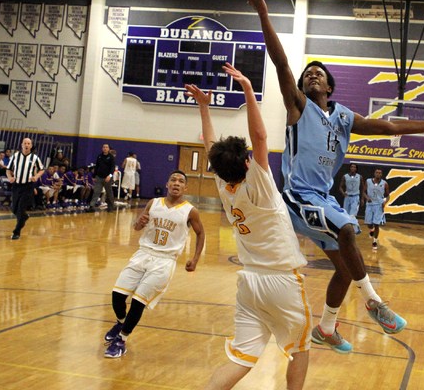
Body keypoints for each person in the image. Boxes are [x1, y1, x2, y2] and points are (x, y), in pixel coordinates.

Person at [239, 0, 424, 351]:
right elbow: (281, 61)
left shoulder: (345, 117)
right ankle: (374, 302)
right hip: (297, 196)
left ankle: (327, 329)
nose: (311, 75)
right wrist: (263, 12)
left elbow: (390, 126)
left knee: (346, 268)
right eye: (307, 73)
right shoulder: (299, 106)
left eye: (319, 73)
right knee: (349, 229)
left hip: (324, 198)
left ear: (330, 86)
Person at [187, 63, 311, 390]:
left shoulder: (223, 186)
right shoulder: (259, 183)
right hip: (282, 279)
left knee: (240, 357)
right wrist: (246, 89)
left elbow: (210, 146)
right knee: (300, 348)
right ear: (247, 162)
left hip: (249, 283)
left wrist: (204, 107)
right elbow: (259, 135)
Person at [103, 169, 205, 358]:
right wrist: (138, 223)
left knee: (137, 302)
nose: (176, 183)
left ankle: (121, 340)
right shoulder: (153, 203)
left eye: (181, 181)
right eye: (173, 179)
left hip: (164, 261)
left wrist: (195, 259)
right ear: (167, 184)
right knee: (117, 295)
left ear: (185, 187)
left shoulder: (190, 211)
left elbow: (201, 233)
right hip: (143, 253)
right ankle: (121, 323)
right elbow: (137, 227)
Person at [6, 137, 45, 240]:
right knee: (14, 208)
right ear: (22, 145)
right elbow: (8, 170)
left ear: (31, 146)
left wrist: (36, 177)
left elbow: (42, 169)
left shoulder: (35, 158)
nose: (27, 145)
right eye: (25, 143)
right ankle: (24, 217)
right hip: (16, 185)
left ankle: (16, 232)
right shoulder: (15, 156)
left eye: (28, 143)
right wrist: (10, 177)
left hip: (28, 186)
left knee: (21, 208)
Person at [363, 168, 390, 251]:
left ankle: (374, 241)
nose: (378, 174)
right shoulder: (368, 181)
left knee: (377, 224)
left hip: (379, 205)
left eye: (380, 173)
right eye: (377, 172)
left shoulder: (384, 183)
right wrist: (367, 197)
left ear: (381, 175)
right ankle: (371, 230)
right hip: (370, 205)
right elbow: (363, 192)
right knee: (369, 224)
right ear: (374, 173)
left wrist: (384, 203)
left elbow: (388, 195)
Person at [86, 144, 116, 212]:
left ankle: (111, 207)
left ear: (108, 149)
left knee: (109, 193)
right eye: (104, 147)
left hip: (107, 178)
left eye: (106, 147)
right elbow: (97, 167)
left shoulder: (111, 157)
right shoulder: (99, 156)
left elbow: (112, 168)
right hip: (99, 177)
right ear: (102, 148)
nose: (105, 148)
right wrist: (94, 176)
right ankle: (92, 205)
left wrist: (110, 176)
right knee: (96, 191)